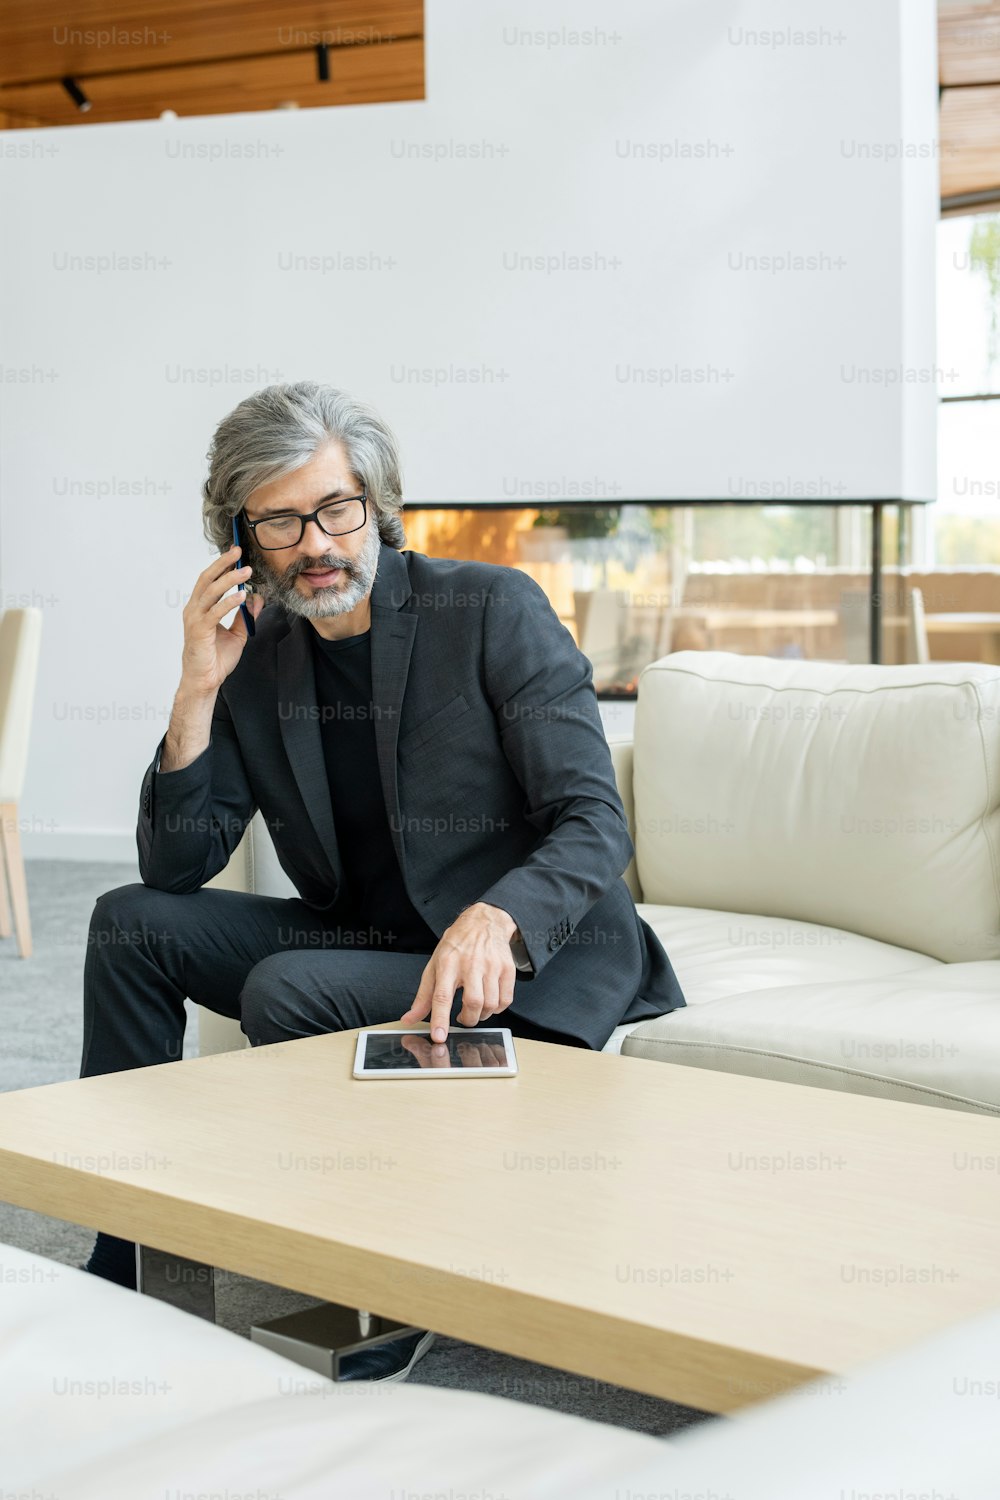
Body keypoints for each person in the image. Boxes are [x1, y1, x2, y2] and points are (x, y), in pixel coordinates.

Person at [79, 381, 686, 1378]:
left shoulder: (489, 609)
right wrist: (196, 684)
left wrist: (499, 919)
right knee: (127, 923)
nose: (315, 541)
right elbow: (175, 867)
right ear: (242, 541)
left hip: (529, 960)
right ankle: (133, 1259)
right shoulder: (256, 658)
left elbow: (593, 822)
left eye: (335, 507)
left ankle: (379, 1295)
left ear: (374, 503)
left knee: (288, 988)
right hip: (369, 942)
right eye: (280, 520)